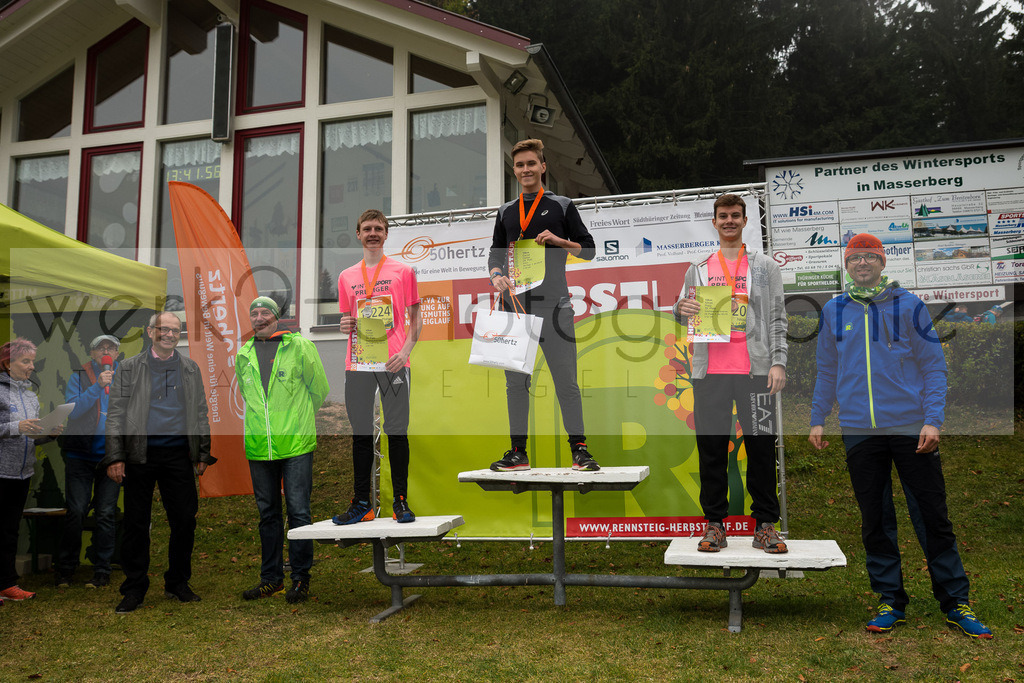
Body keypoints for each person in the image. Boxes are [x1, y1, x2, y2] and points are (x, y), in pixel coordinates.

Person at [809, 232, 992, 639]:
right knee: (875, 518)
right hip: (858, 429)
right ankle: (890, 599)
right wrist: (818, 416)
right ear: (846, 264)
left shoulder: (909, 305)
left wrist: (933, 419)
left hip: (912, 428)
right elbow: (827, 370)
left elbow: (934, 367)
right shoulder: (835, 309)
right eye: (855, 258)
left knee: (932, 516)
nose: (862, 264)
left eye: (869, 258)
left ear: (882, 262)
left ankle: (956, 601)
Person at [673, 193, 788, 554]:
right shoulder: (699, 266)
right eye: (723, 216)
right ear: (714, 221)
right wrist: (682, 307)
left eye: (735, 216)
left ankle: (766, 526)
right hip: (710, 374)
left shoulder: (764, 267)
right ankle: (715, 526)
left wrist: (778, 361)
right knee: (711, 450)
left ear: (745, 221)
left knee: (760, 449)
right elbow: (681, 309)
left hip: (755, 372)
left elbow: (777, 318)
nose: (729, 221)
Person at [486, 138, 599, 472]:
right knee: (516, 384)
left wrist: (559, 241)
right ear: (515, 170)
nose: (525, 170)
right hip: (515, 309)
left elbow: (589, 250)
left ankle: (580, 450)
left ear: (543, 166)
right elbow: (495, 253)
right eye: (519, 165)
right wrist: (496, 276)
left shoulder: (562, 205)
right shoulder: (506, 211)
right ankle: (518, 452)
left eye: (531, 164)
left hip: (555, 306)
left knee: (566, 380)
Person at [103, 312, 214, 614]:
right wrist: (115, 456)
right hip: (139, 456)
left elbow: (201, 413)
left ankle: (177, 583)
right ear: (151, 332)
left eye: (176, 330)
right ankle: (134, 588)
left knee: (184, 520)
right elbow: (115, 416)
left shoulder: (190, 368)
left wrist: (202, 453)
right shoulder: (128, 368)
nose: (170, 334)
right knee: (137, 524)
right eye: (164, 329)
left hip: (178, 456)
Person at [236, 296, 329, 603]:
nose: (259, 317)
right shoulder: (244, 353)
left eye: (266, 312)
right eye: (255, 313)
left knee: (299, 512)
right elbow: (251, 401)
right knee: (268, 515)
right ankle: (271, 579)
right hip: (260, 447)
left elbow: (320, 389)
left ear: (277, 318)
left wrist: (298, 418)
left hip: (296, 443)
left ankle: (301, 578)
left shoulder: (299, 346)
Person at [332, 209, 422, 525]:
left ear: (386, 235)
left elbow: (416, 318)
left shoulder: (403, 272)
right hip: (357, 364)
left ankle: (400, 501)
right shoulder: (346, 276)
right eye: (367, 228)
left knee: (396, 433)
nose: (373, 233)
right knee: (360, 434)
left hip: (393, 361)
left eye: (379, 228)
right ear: (358, 234)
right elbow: (348, 320)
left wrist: (406, 351)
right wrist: (344, 325)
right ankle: (361, 504)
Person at [54, 334, 122, 589]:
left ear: (116, 354)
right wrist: (97, 387)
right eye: (100, 347)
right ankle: (65, 570)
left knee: (105, 513)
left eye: (111, 347)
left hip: (111, 458)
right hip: (80, 456)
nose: (106, 350)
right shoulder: (79, 377)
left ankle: (102, 570)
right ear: (92, 354)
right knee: (77, 512)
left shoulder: (126, 377)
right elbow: (74, 409)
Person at [1, 339, 64, 604]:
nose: (31, 366)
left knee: (9, 531)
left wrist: (47, 434)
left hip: (23, 472)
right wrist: (17, 427)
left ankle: (6, 584)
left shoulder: (29, 394)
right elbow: (14, 429)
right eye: (25, 361)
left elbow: (30, 436)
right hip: (1, 472)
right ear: (7, 363)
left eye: (32, 361)